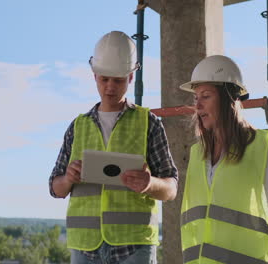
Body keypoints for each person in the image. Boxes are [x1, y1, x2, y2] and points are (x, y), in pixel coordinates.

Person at [49, 30, 178, 264]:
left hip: (134, 248)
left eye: (118, 80)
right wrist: (68, 179)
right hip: (84, 248)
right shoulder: (77, 127)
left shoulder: (148, 123)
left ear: (130, 78)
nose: (110, 87)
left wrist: (150, 184)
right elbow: (55, 188)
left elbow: (171, 188)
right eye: (104, 79)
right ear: (94, 75)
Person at [179, 55, 268, 264]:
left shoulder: (262, 144)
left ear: (228, 97)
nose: (198, 105)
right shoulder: (197, 153)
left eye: (206, 96)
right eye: (196, 98)